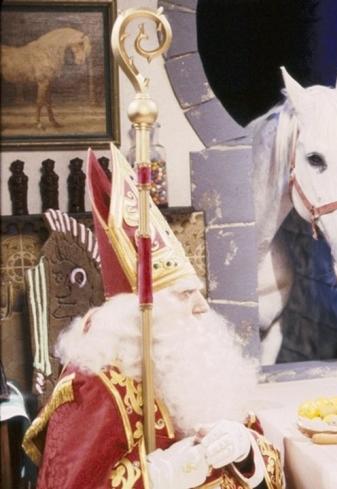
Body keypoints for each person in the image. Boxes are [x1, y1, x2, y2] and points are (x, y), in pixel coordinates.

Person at [22, 147, 284, 489]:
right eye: (185, 294)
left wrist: (245, 449)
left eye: (198, 292)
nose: (202, 307)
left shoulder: (199, 363)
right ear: (139, 313)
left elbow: (266, 456)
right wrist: (160, 475)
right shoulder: (95, 385)